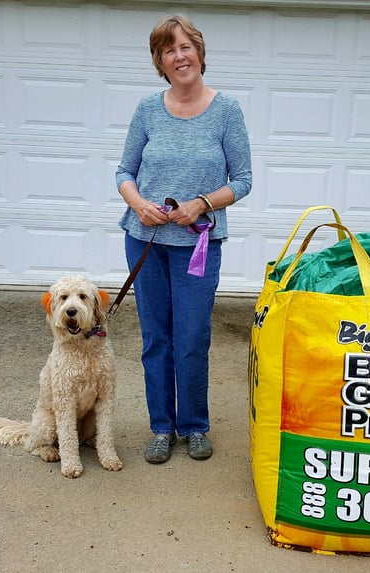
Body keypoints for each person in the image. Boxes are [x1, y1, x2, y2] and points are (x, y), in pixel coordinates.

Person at [115, 15, 252, 464]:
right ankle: (161, 427)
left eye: (185, 46)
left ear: (200, 52)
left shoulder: (226, 110)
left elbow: (244, 181)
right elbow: (124, 173)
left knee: (191, 337)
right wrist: (138, 205)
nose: (179, 56)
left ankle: (193, 426)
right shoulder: (146, 109)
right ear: (160, 61)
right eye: (168, 50)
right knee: (157, 338)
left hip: (198, 245)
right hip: (147, 241)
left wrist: (201, 204)